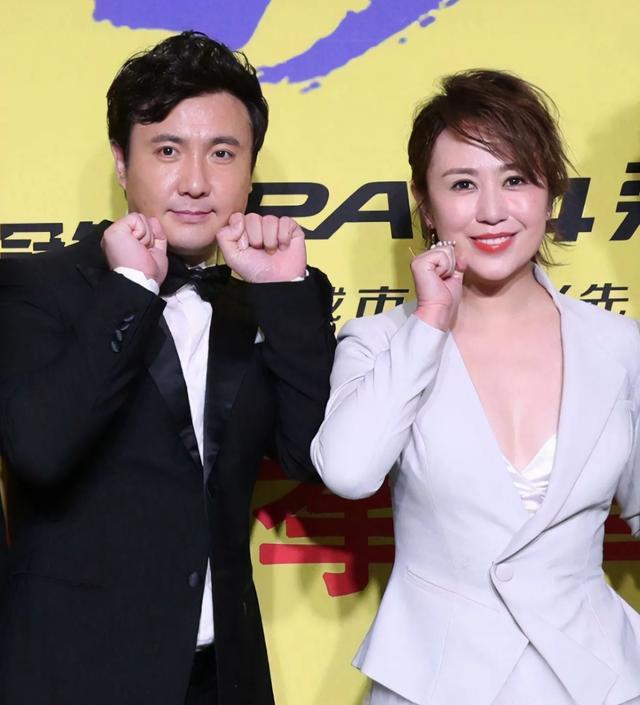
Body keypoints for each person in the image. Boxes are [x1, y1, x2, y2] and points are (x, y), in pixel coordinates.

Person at [0, 31, 335, 705]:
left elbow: (311, 456)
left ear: (250, 169)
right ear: (122, 163)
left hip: (224, 676)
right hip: (73, 676)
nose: (196, 182)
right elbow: (38, 451)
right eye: (167, 150)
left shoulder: (271, 295)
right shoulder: (34, 288)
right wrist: (131, 287)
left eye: (222, 153)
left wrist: (284, 294)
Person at [311, 69, 640, 705]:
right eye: (463, 183)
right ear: (425, 202)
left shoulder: (619, 345)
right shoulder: (381, 342)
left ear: (551, 192)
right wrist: (430, 322)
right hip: (433, 685)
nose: (492, 209)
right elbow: (348, 472)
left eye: (516, 179)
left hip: (595, 681)